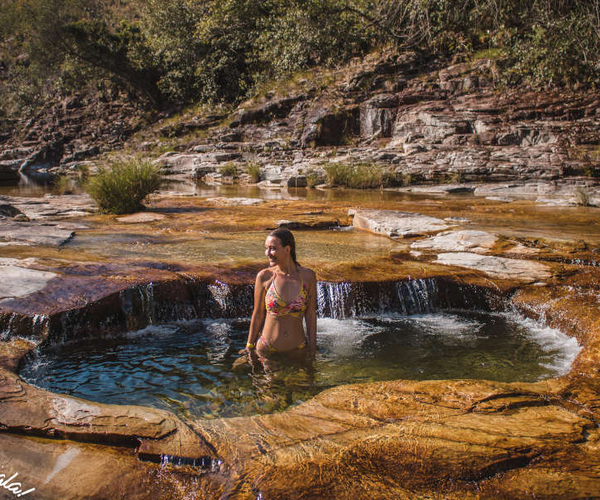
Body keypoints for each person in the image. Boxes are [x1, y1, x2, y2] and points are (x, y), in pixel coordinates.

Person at [245, 228, 317, 360]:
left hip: (298, 349)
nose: (268, 253)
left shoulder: (308, 277)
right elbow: (258, 314)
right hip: (267, 350)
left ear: (287, 249)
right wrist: (249, 347)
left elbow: (311, 314)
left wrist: (313, 348)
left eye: (272, 248)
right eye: (266, 248)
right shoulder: (265, 276)